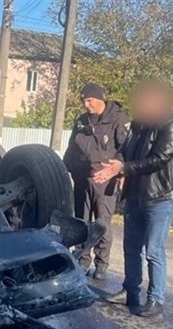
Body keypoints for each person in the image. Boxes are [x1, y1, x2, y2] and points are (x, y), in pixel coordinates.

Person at [93, 79, 173, 318]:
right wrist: (115, 163)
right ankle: (130, 291)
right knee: (131, 248)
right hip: (135, 196)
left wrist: (123, 168)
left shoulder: (172, 125)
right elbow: (125, 151)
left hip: (161, 197)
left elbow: (159, 159)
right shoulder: (138, 124)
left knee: (153, 250)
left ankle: (156, 299)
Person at [63, 83, 130, 280]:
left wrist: (120, 170)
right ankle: (82, 260)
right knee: (82, 222)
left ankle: (102, 264)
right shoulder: (81, 121)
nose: (86, 104)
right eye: (84, 101)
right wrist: (65, 169)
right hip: (82, 178)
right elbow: (71, 148)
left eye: (89, 100)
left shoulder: (118, 118)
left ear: (99, 98)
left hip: (105, 180)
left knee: (102, 223)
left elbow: (126, 149)